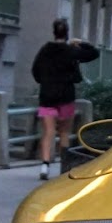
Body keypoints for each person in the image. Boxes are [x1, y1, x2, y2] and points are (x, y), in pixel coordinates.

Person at [31, 18, 100, 179]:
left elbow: (35, 71)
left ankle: (45, 166)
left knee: (48, 131)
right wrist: (80, 43)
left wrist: (46, 81)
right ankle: (64, 166)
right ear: (67, 33)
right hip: (66, 96)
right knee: (64, 132)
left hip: (47, 96)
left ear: (54, 32)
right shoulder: (71, 51)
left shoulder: (45, 50)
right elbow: (94, 53)